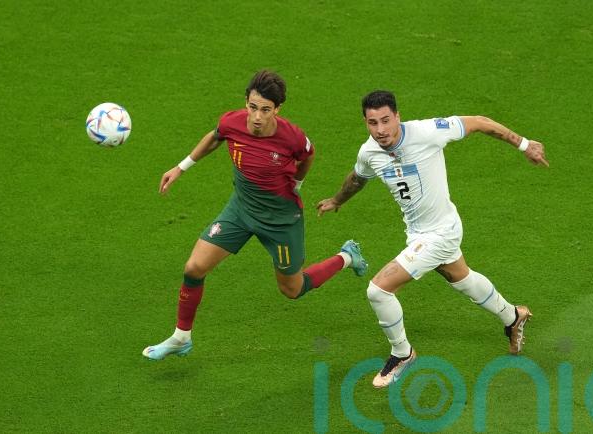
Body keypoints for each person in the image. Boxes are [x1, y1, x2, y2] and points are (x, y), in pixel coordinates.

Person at [317, 90, 549, 388]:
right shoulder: (369, 152)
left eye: (386, 120)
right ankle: (513, 316)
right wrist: (337, 200)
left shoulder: (427, 132)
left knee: (378, 290)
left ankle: (402, 354)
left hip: (441, 232)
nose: (381, 130)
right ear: (365, 122)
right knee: (461, 278)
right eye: (373, 123)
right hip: (418, 232)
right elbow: (357, 178)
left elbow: (479, 122)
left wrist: (525, 144)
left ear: (397, 116)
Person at [143, 70, 368, 361]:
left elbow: (308, 155)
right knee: (194, 268)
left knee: (292, 289)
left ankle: (347, 257)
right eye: (252, 107)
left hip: (280, 220)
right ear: (246, 103)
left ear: (277, 109)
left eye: (265, 109)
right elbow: (215, 137)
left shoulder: (292, 137)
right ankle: (181, 338)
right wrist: (180, 167)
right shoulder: (232, 122)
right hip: (241, 209)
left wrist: (298, 183)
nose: (257, 116)